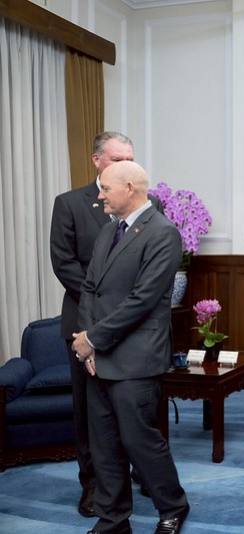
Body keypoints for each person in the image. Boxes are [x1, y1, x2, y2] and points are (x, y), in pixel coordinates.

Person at [71, 161, 190, 534]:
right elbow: (90, 288)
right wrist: (87, 341)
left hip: (136, 358)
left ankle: (173, 506)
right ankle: (113, 518)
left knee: (140, 442)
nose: (99, 196)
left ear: (130, 188)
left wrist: (92, 339)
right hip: (99, 356)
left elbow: (142, 301)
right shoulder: (109, 230)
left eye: (106, 188)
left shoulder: (163, 233)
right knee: (103, 443)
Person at [49, 131, 148, 517]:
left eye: (130, 158)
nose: (126, 165)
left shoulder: (145, 204)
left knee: (133, 405)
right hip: (84, 323)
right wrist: (104, 308)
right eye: (118, 159)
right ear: (97, 161)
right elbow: (64, 263)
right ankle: (92, 485)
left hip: (132, 325)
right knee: (89, 411)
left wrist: (126, 310)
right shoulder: (70, 204)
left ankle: (141, 471)